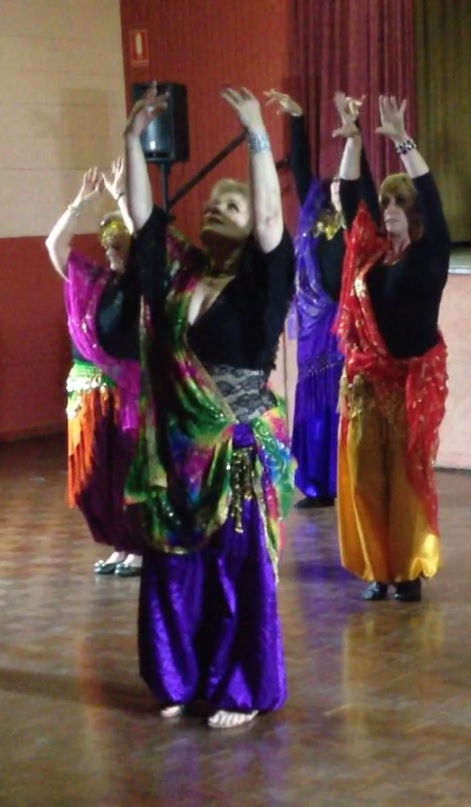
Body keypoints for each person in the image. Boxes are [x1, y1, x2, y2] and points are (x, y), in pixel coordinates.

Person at [120, 85, 295, 728]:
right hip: (177, 450)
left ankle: (238, 687)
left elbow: (276, 224)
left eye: (234, 203)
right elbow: (145, 222)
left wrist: (255, 133)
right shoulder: (183, 275)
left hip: (235, 450)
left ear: (251, 227)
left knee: (232, 569)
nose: (219, 207)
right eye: (215, 201)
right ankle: (175, 675)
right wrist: (132, 144)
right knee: (171, 564)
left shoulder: (262, 285)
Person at [334, 94, 450, 603]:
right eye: (387, 203)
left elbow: (432, 194)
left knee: (405, 481)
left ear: (416, 214)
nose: (391, 210)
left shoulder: (430, 257)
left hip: (409, 383)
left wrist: (402, 140)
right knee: (365, 477)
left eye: (401, 203)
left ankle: (407, 572)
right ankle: (378, 569)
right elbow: (348, 200)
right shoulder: (372, 257)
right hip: (366, 382)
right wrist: (355, 141)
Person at [264, 89, 369, 509]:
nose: (327, 198)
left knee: (338, 402)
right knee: (311, 403)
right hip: (310, 328)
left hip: (338, 326)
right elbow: (304, 170)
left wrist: (354, 135)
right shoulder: (312, 221)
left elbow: (357, 184)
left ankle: (343, 479)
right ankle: (314, 481)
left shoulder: (351, 229)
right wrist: (296, 118)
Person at [45, 159, 143, 577]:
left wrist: (122, 198)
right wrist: (81, 204)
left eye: (118, 241)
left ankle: (137, 547)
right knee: (93, 480)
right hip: (86, 399)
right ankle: (118, 544)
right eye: (106, 242)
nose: (110, 248)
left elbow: (149, 238)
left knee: (126, 473)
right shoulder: (90, 282)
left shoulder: (140, 286)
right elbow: (54, 247)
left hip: (127, 399)